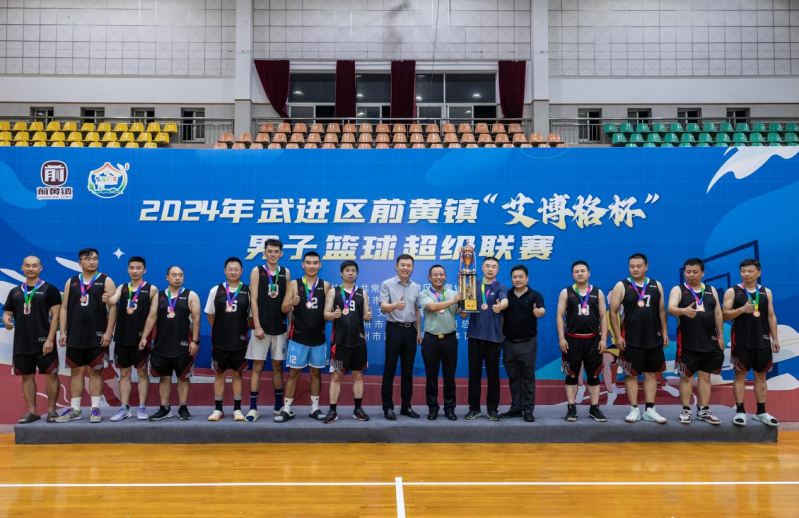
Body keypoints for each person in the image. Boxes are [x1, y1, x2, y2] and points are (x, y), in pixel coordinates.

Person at [56, 248, 117, 423]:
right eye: (88, 258)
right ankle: (75, 409)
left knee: (95, 372)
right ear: (80, 262)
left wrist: (108, 333)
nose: (92, 262)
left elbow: (114, 308)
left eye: (95, 258)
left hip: (97, 336)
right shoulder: (71, 282)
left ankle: (95, 409)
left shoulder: (106, 280)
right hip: (75, 335)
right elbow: (64, 308)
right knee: (76, 371)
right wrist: (63, 331)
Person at [609, 253, 669, 424]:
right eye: (632, 266)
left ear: (646, 267)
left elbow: (662, 310)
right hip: (630, 339)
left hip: (653, 337)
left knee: (651, 373)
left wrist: (665, 331)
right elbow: (613, 312)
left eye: (639, 266)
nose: (635, 269)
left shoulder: (657, 285)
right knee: (631, 375)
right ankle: (634, 409)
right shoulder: (621, 285)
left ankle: (650, 409)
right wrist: (617, 335)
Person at [2, 255, 62, 424]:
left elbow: (56, 317)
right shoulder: (15, 291)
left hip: (44, 342)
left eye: (34, 265)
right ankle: (32, 412)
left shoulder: (50, 290)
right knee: (27, 377)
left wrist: (50, 339)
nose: (31, 268)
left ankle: (52, 411)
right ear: (22, 268)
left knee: (51, 376)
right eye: (27, 266)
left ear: (40, 268)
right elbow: (7, 313)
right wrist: (6, 320)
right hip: (22, 343)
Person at [723, 259, 780, 427]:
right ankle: (740, 411)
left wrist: (775, 338)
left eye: (750, 271)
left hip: (762, 341)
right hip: (741, 341)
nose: (746, 274)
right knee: (740, 375)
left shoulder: (766, 292)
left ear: (758, 273)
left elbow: (771, 316)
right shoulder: (732, 291)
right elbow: (724, 314)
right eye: (743, 271)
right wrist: (742, 309)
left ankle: (761, 412)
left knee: (761, 376)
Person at [668, 258, 725, 425]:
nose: (691, 275)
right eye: (688, 272)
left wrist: (721, 335)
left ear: (703, 273)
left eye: (695, 272)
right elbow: (671, 308)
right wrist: (683, 311)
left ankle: (704, 410)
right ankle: (685, 410)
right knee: (686, 377)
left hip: (709, 342)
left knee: (705, 377)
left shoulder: (711, 290)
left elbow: (718, 314)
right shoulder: (678, 290)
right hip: (687, 343)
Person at [275, 251, 331, 423]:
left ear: (320, 265)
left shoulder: (326, 285)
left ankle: (314, 408)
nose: (312, 266)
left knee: (316, 373)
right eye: (308, 262)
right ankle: (287, 409)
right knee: (293, 373)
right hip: (298, 338)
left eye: (315, 263)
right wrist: (290, 303)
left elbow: (327, 313)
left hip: (318, 338)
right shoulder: (294, 284)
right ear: (303, 265)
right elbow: (283, 308)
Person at [143, 266, 201, 421]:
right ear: (167, 277)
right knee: (164, 377)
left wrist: (195, 341)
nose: (177, 278)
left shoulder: (191, 295)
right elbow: (151, 317)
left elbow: (196, 319)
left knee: (183, 378)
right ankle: (165, 408)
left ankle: (183, 407)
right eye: (174, 275)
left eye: (180, 275)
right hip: (162, 345)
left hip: (184, 345)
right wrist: (144, 337)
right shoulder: (159, 296)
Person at [104, 256, 157, 422]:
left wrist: (145, 336)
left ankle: (142, 407)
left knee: (142, 373)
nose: (135, 271)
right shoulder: (122, 287)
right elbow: (113, 301)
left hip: (140, 339)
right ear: (127, 269)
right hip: (122, 338)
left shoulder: (152, 289)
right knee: (124, 373)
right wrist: (108, 299)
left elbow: (153, 316)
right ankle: (124, 408)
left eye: (138, 268)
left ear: (144, 270)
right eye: (132, 268)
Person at [555, 261, 608, 422]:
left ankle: (594, 408)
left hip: (593, 340)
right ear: (572, 274)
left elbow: (603, 317)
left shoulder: (598, 292)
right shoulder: (566, 292)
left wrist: (604, 339)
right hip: (572, 340)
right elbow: (559, 316)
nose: (580, 273)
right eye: (576, 271)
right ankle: (571, 407)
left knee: (594, 375)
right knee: (571, 375)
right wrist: (561, 338)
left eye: (583, 271)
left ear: (589, 273)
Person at [246, 238, 290, 422]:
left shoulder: (285, 272)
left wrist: (290, 327)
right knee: (257, 366)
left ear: (281, 254)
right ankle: (253, 408)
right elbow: (253, 300)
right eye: (269, 251)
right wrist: (257, 325)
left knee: (278, 367)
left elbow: (288, 302)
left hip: (280, 328)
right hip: (261, 329)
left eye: (276, 252)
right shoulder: (257, 271)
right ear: (264, 253)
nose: (273, 254)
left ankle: (278, 406)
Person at [322, 260, 372, 424]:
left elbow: (366, 316)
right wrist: (333, 315)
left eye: (353, 270)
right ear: (341, 273)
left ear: (357, 274)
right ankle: (332, 410)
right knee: (336, 376)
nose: (350, 273)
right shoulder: (333, 292)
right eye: (347, 270)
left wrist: (368, 317)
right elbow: (325, 314)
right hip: (339, 343)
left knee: (358, 375)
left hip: (359, 343)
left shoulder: (362, 293)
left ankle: (357, 409)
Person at [461, 256, 508, 422]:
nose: (490, 269)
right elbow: (464, 314)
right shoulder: (473, 285)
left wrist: (500, 306)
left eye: (493, 266)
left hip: (493, 338)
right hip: (474, 336)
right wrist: (462, 306)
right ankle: (474, 408)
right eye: (487, 266)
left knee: (493, 375)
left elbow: (505, 301)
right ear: (481, 268)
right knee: (474, 375)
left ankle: (492, 409)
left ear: (498, 269)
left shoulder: (500, 287)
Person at [206, 257, 251, 422]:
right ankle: (218, 409)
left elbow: (251, 317)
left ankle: (237, 409)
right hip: (220, 342)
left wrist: (240, 330)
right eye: (230, 269)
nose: (233, 272)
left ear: (242, 271)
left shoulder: (248, 290)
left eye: (236, 269)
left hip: (239, 341)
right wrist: (220, 330)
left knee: (237, 374)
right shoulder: (215, 290)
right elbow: (210, 314)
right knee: (219, 374)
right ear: (225, 271)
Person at [379, 254, 422, 420]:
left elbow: (417, 311)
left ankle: (406, 406)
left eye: (409, 265)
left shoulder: (416, 287)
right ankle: (388, 408)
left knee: (407, 372)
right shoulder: (387, 284)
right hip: (394, 329)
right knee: (389, 370)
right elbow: (383, 307)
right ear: (396, 267)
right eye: (402, 265)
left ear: (413, 268)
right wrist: (396, 305)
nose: (405, 268)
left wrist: (418, 331)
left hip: (410, 330)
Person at [499, 265, 544, 423]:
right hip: (509, 343)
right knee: (513, 378)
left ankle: (528, 409)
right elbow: (501, 315)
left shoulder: (535, 295)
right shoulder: (506, 295)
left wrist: (539, 312)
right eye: (514, 277)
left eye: (520, 276)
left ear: (527, 278)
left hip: (528, 343)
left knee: (528, 378)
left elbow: (542, 310)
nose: (517, 279)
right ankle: (516, 408)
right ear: (511, 279)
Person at [419, 265, 462, 420]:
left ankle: (450, 409)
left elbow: (463, 315)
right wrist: (453, 301)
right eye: (435, 275)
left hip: (449, 339)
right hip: (431, 339)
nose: (438, 277)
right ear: (429, 277)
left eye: (441, 274)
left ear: (445, 277)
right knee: (431, 377)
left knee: (449, 376)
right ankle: (433, 409)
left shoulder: (453, 293)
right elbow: (432, 306)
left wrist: (467, 302)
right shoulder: (424, 294)